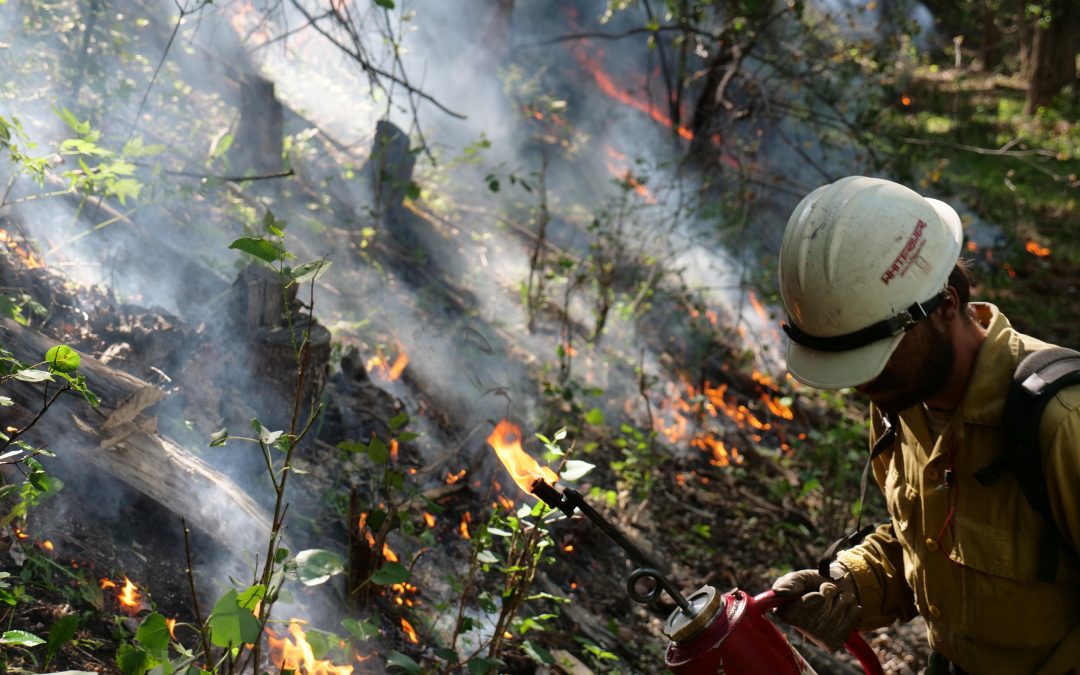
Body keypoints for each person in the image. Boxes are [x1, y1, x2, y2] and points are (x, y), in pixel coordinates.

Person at [769, 176, 1080, 674]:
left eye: (878, 357)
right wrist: (854, 585)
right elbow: (934, 539)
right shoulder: (899, 401)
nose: (862, 383)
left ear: (946, 305)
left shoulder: (1061, 424)